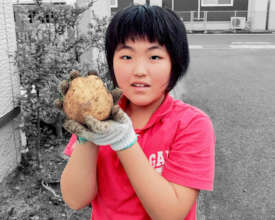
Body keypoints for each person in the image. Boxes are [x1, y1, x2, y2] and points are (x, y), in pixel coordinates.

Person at [60, 4, 215, 220]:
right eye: (126, 57)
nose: (139, 71)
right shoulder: (99, 118)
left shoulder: (191, 124)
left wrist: (125, 143)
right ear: (112, 62)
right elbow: (76, 199)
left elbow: (171, 214)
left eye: (154, 57)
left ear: (175, 63)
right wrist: (87, 139)